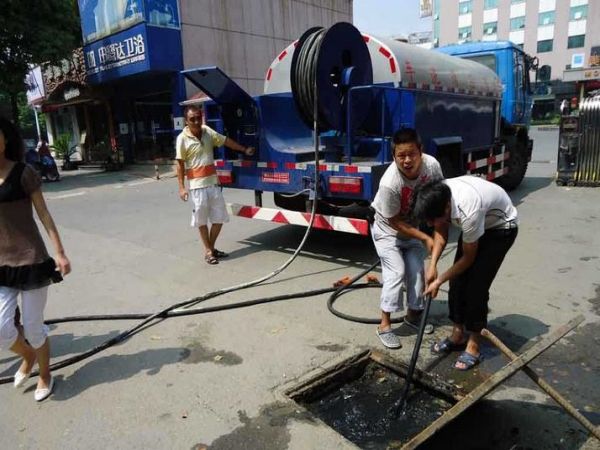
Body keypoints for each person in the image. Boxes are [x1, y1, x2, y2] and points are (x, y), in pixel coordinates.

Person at [411, 176, 518, 370]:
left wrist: (439, 281)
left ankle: (474, 343)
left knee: (476, 286)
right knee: (457, 282)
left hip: (500, 228)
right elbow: (440, 231)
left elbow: (468, 259)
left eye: (432, 219)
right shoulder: (440, 196)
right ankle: (458, 334)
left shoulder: (468, 210)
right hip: (480, 225)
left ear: (445, 209)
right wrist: (432, 265)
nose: (431, 223)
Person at [0, 117, 71, 401]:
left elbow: (43, 215)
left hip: (31, 260)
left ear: (5, 139)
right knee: (1, 327)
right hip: (2, 265)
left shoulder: (24, 173)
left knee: (32, 325)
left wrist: (60, 253)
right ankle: (27, 356)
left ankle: (45, 373)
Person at [370, 128, 444, 349]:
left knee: (416, 271)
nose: (407, 160)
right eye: (401, 156)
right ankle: (384, 326)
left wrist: (435, 240)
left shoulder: (432, 167)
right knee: (396, 272)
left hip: (412, 227)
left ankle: (413, 317)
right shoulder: (389, 183)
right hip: (387, 232)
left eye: (411, 153)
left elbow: (439, 199)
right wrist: (425, 237)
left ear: (421, 151)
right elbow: (394, 222)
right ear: (394, 156)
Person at [176, 105, 255, 264]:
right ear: (186, 121)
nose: (197, 121)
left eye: (199, 117)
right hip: (197, 187)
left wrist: (244, 149)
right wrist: (182, 187)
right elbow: (180, 164)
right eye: (192, 119)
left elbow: (226, 141)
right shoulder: (182, 139)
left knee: (219, 219)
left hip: (213, 184)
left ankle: (210, 249)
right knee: (202, 221)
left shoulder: (207, 132)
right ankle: (209, 251)